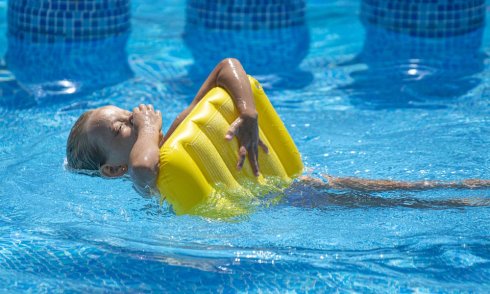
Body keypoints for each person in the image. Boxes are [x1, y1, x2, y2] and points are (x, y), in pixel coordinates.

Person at [66, 58, 490, 202]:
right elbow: (143, 168)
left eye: (130, 112)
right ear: (111, 171)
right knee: (382, 202)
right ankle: (463, 200)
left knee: (385, 191)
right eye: (123, 126)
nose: (137, 117)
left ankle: (468, 189)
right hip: (285, 206)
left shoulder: (180, 129)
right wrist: (148, 125)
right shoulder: (145, 179)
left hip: (287, 192)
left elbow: (227, 68)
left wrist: (247, 115)